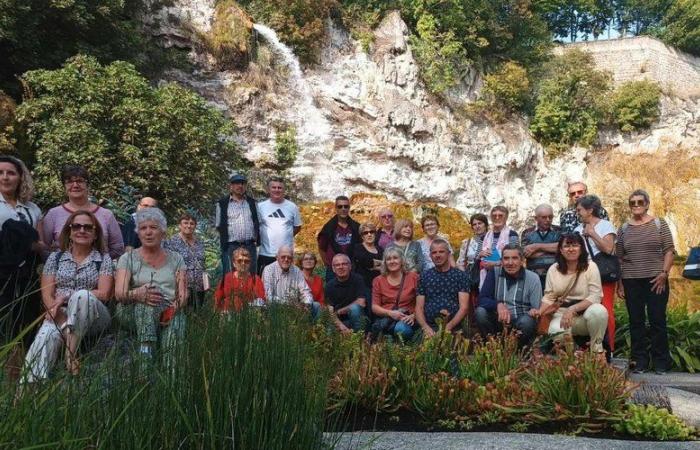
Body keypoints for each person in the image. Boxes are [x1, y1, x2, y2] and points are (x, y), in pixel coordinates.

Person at [24, 211, 113, 381]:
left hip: (94, 315)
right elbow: (47, 294)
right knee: (45, 337)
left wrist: (65, 298)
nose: (82, 230)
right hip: (58, 313)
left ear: (95, 234)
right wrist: (58, 314)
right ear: (69, 232)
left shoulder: (103, 259)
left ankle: (70, 354)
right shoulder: (55, 259)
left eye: (88, 227)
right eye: (76, 226)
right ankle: (26, 394)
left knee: (82, 295)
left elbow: (104, 293)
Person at [114, 208, 187, 361]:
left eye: (153, 228)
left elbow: (183, 294)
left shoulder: (177, 258)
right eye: (143, 228)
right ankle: (145, 358)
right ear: (138, 233)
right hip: (131, 310)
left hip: (169, 308)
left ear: (163, 232)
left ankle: (171, 375)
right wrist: (137, 294)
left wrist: (173, 310)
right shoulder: (128, 258)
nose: (148, 232)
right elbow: (120, 293)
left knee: (173, 343)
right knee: (146, 305)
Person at [616, 189, 675, 374]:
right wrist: (620, 284)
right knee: (636, 322)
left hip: (656, 280)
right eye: (632, 203)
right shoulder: (624, 229)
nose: (636, 205)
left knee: (658, 320)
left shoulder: (659, 224)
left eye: (640, 202)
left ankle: (661, 363)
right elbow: (619, 259)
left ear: (647, 204)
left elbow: (669, 250)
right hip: (631, 281)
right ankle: (639, 361)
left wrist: (664, 273)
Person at [0, 155, 43, 379]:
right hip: (2, 275)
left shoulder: (33, 208)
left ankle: (24, 380)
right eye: (1, 172)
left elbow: (41, 243)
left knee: (25, 324)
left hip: (27, 275)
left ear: (20, 177)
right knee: (5, 325)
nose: (5, 177)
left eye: (11, 172)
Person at [540, 233, 608, 355]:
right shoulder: (553, 269)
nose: (571, 249)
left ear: (581, 248)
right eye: (566, 246)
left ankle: (597, 353)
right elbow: (549, 297)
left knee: (599, 311)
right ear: (560, 250)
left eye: (575, 245)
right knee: (557, 333)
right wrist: (540, 312)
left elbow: (595, 296)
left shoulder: (591, 267)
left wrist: (572, 309)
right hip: (561, 315)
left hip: (585, 314)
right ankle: (572, 359)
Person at [40, 165, 124, 259]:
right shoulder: (53, 214)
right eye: (69, 182)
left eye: (80, 181)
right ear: (64, 186)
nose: (75, 185)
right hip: (61, 271)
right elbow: (44, 248)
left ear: (88, 185)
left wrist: (100, 262)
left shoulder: (106, 215)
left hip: (100, 270)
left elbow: (118, 248)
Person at [474, 244, 542, 347]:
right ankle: (492, 346)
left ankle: (516, 350)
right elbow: (482, 299)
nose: (510, 263)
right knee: (480, 312)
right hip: (498, 322)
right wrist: (498, 304)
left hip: (520, 323)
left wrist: (534, 312)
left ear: (522, 260)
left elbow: (535, 308)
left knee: (527, 321)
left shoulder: (533, 278)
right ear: (501, 261)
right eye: (506, 258)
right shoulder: (494, 273)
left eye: (515, 258)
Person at [574, 195, 617, 355]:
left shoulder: (606, 226)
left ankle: (608, 349)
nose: (577, 213)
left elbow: (609, 249)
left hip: (603, 274)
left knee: (606, 310)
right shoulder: (578, 229)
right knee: (587, 310)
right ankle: (588, 348)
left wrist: (592, 233)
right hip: (583, 275)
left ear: (590, 210)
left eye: (579, 210)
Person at [416, 239, 469, 337]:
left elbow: (464, 307)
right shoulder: (424, 276)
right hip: (429, 326)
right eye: (434, 252)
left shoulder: (461, 276)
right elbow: (419, 307)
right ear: (430, 256)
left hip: (453, 326)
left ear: (448, 254)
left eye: (441, 252)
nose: (438, 255)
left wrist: (447, 327)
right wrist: (425, 327)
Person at [215, 173, 260, 275]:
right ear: (231, 186)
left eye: (243, 183)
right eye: (237, 183)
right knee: (230, 276)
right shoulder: (222, 204)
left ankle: (250, 292)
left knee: (251, 276)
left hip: (249, 246)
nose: (240, 186)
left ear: (245, 186)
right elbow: (219, 226)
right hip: (231, 246)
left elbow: (257, 223)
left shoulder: (253, 203)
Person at [371, 247, 419, 341]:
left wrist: (414, 316)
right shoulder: (378, 280)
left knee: (401, 329)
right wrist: (390, 313)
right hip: (387, 318)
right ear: (385, 263)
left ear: (402, 260)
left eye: (395, 258)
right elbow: (375, 307)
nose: (392, 261)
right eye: (388, 259)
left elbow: (423, 302)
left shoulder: (414, 277)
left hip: (407, 318)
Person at [256, 177, 302, 275]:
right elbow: (256, 227)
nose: (277, 190)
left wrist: (287, 236)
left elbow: (297, 227)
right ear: (268, 189)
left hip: (286, 255)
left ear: (284, 190)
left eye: (280, 188)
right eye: (274, 187)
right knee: (264, 284)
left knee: (286, 284)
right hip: (266, 253)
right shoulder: (260, 206)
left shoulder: (292, 207)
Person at [164, 213, 207, 309]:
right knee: (182, 315)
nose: (189, 226)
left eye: (192, 223)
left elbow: (202, 261)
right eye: (185, 223)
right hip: (181, 287)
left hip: (199, 286)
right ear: (180, 225)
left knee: (196, 316)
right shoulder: (172, 242)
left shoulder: (199, 242)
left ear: (195, 226)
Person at [317, 196, 360, 281]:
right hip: (334, 270)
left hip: (352, 268)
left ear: (349, 208)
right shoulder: (328, 228)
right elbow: (322, 247)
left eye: (346, 206)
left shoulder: (356, 227)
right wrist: (328, 264)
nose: (343, 209)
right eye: (340, 206)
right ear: (336, 208)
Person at [521, 204, 561, 290]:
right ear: (536, 218)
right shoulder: (527, 233)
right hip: (533, 277)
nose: (548, 220)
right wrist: (551, 249)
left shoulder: (559, 231)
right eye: (544, 217)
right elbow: (526, 253)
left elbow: (562, 248)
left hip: (556, 275)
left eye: (550, 217)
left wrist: (537, 246)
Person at [214, 247, 265, 313]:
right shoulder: (226, 278)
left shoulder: (256, 279)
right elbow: (217, 300)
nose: (243, 263)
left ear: (249, 264)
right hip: (228, 315)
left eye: (246, 261)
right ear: (234, 263)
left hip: (249, 315)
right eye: (239, 261)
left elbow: (261, 300)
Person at [325, 254, 367, 334]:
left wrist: (340, 311)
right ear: (333, 269)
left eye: (344, 264)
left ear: (350, 266)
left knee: (355, 308)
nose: (341, 267)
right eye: (337, 265)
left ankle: (359, 339)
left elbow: (361, 303)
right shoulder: (329, 286)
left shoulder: (358, 279)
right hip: (339, 320)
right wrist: (342, 327)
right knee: (329, 331)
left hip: (358, 318)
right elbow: (330, 311)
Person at [478, 206, 519, 288]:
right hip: (486, 276)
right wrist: (480, 254)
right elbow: (475, 258)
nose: (497, 218)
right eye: (494, 215)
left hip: (505, 275)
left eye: (500, 215)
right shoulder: (484, 236)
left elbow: (516, 256)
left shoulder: (512, 235)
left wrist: (496, 264)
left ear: (506, 217)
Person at [353, 222, 383, 299]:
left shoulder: (380, 249)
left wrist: (373, 265)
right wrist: (380, 264)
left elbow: (386, 266)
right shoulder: (358, 248)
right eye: (365, 233)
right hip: (364, 286)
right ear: (362, 236)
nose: (369, 234)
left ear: (375, 234)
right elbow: (366, 261)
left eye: (371, 232)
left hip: (380, 285)